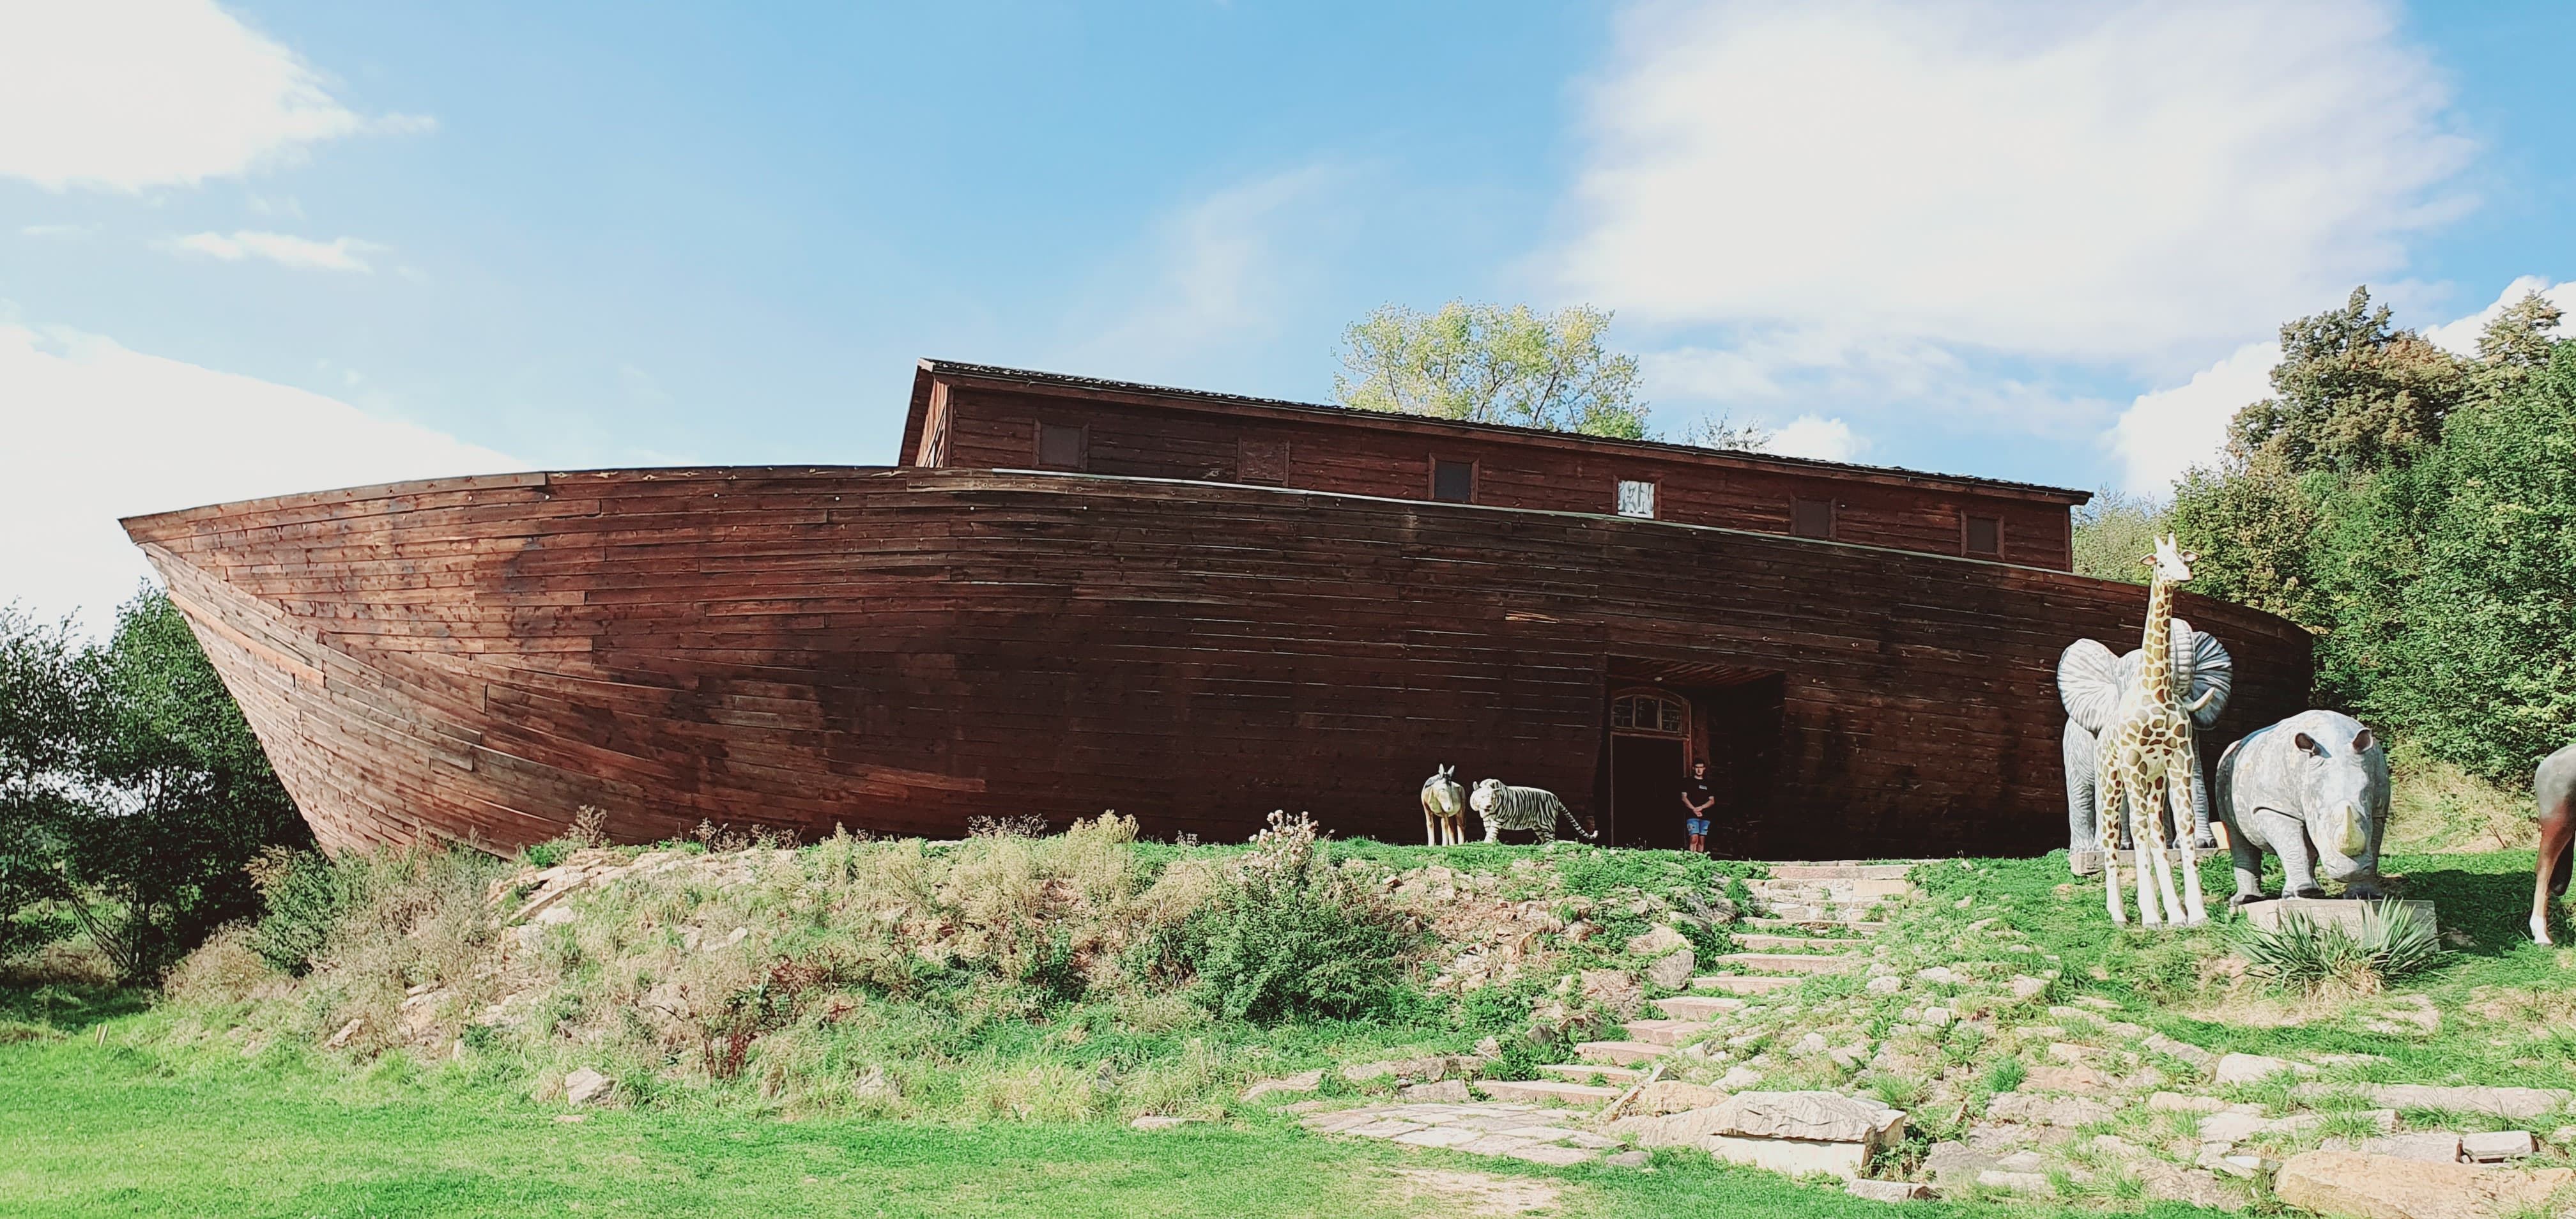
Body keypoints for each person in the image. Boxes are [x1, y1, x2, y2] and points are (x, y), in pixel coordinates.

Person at [1682, 759, 1715, 854]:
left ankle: (1699, 860)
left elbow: (1712, 801)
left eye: (1701, 767)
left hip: (1705, 815)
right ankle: (1691, 858)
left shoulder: (1708, 784)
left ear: (1704, 768)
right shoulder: (1687, 781)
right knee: (1694, 837)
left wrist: (1701, 808)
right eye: (1697, 767)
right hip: (1691, 815)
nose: (1699, 770)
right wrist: (1694, 809)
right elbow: (1684, 798)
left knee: (1702, 839)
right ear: (1693, 768)